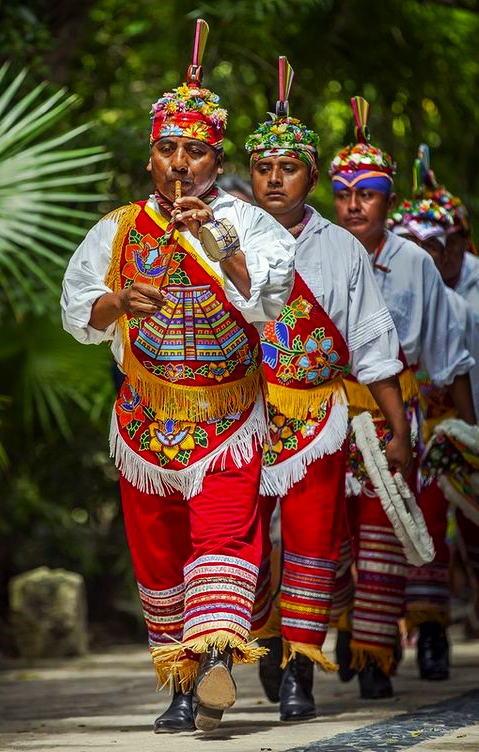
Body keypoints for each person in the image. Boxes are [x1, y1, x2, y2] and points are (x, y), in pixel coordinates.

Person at [61, 20, 296, 734]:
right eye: (167, 149)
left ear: (214, 160)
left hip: (227, 419)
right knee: (160, 559)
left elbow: (272, 298)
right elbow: (76, 311)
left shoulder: (247, 225)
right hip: (144, 422)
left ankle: (217, 659)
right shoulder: (118, 229)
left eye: (194, 151)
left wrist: (215, 242)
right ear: (151, 156)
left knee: (222, 539)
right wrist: (114, 301)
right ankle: (182, 686)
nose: (179, 163)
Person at [244, 59, 410, 722]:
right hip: (242, 417)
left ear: (312, 175)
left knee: (314, 540)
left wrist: (397, 431)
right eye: (263, 167)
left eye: (288, 167)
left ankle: (300, 672)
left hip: (319, 414)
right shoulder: (222, 238)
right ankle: (262, 640)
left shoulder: (340, 248)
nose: (274, 178)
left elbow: (373, 343)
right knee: (248, 541)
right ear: (251, 174)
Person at [329, 98, 475, 698]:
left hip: (399, 409)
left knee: (389, 529)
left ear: (388, 200)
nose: (354, 204)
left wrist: (468, 432)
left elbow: (449, 355)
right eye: (343, 193)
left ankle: (373, 655)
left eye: (367, 193)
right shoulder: (313, 253)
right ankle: (321, 632)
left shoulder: (415, 262)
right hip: (328, 408)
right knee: (327, 532)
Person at [389, 156, 478, 657]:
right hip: (385, 420)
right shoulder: (373, 284)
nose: (424, 258)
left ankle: (433, 631)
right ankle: (378, 630)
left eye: (435, 248)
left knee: (431, 521)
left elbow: (457, 367)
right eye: (413, 248)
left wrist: (468, 431)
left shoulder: (459, 304)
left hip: (436, 428)